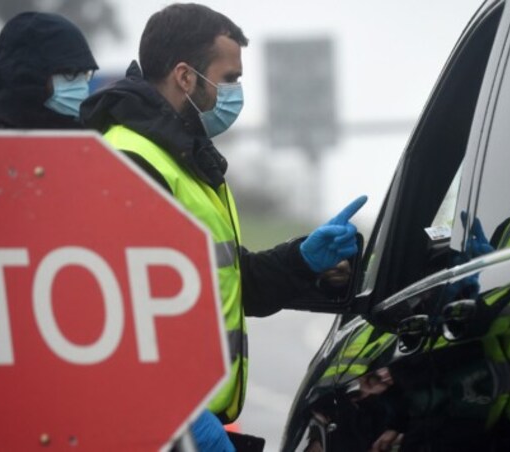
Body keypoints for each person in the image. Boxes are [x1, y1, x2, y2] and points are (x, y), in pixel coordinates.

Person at [79, 3, 367, 450]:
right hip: (163, 427)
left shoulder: (187, 159)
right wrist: (180, 415)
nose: (236, 91)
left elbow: (228, 283)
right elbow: (117, 315)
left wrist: (302, 259)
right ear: (186, 77)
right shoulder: (131, 161)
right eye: (229, 78)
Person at [0, 11, 98, 129]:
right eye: (70, 72)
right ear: (28, 77)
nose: (83, 86)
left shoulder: (95, 144)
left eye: (85, 74)